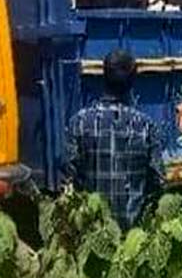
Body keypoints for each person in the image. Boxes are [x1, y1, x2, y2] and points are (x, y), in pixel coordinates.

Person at [63, 49, 164, 230]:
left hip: (93, 236)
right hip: (133, 238)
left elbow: (69, 174)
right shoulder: (147, 127)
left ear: (104, 76)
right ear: (133, 80)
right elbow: (158, 182)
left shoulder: (78, 123)